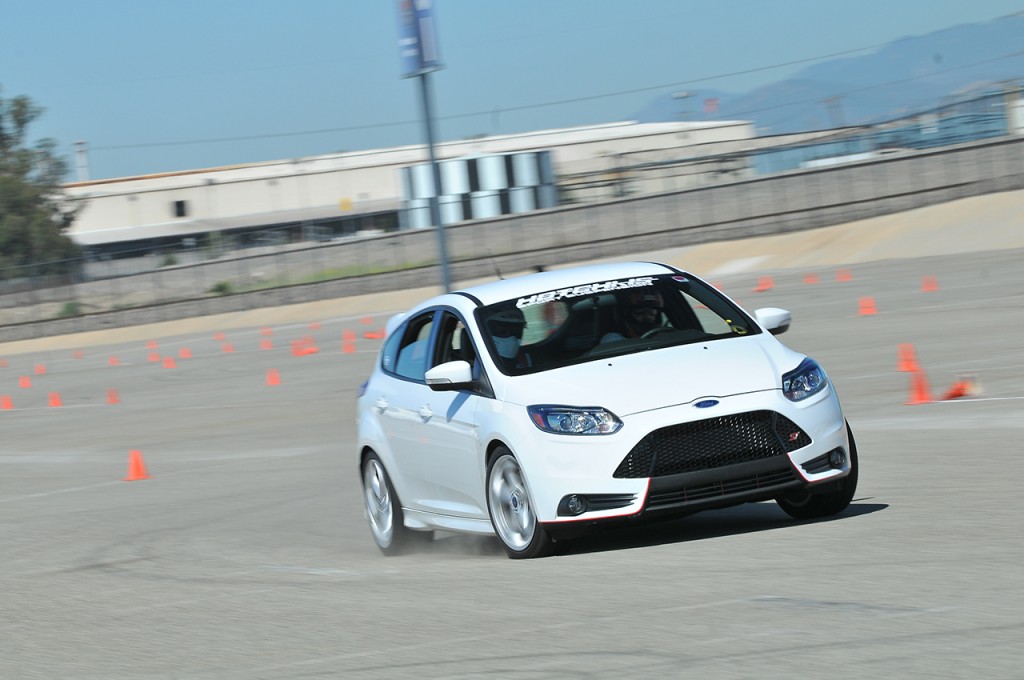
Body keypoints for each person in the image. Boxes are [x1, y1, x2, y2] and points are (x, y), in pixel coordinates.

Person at [601, 289, 665, 343]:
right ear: (625, 317)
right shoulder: (613, 340)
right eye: (640, 313)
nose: (647, 318)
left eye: (652, 314)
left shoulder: (666, 337)